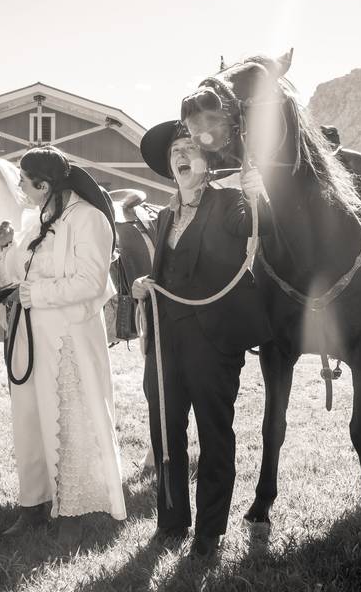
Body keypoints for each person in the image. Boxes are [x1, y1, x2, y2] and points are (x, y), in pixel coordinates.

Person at [132, 121, 272, 558]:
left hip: (213, 341)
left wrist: (258, 191)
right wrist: (145, 283)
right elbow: (167, 272)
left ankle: (209, 533)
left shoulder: (230, 202)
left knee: (214, 434)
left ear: (208, 162)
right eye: (176, 148)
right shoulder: (164, 215)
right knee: (166, 433)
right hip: (165, 343)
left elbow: (257, 226)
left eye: (191, 146)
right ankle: (172, 522)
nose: (181, 153)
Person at [0, 146, 126, 543]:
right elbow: (16, 273)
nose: (19, 187)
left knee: (70, 418)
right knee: (29, 420)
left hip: (68, 341)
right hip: (31, 340)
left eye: (23, 181)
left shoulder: (89, 220)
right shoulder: (38, 221)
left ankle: (74, 510)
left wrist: (38, 295)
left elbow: (91, 284)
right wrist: (2, 250)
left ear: (44, 185)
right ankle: (32, 505)